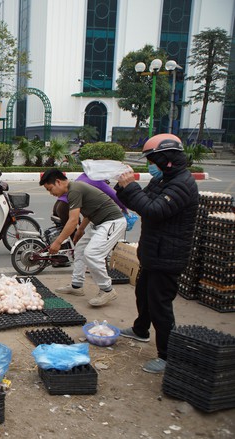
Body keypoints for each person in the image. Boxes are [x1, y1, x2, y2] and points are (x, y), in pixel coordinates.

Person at [115, 134, 198, 374]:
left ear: (167, 160)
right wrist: (122, 188)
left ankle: (167, 354)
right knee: (143, 294)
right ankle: (141, 330)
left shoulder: (182, 184)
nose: (151, 165)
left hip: (169, 256)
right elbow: (142, 201)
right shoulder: (163, 181)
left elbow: (153, 211)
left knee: (160, 305)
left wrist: (130, 188)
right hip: (154, 252)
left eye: (153, 160)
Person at [39, 169, 127, 306]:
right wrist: (80, 231)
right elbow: (89, 211)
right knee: (80, 248)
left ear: (58, 182)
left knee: (92, 254)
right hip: (97, 222)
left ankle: (107, 289)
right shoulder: (73, 189)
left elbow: (72, 220)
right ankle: (76, 286)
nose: (51, 194)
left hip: (112, 222)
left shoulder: (74, 189)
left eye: (50, 189)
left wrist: (57, 242)